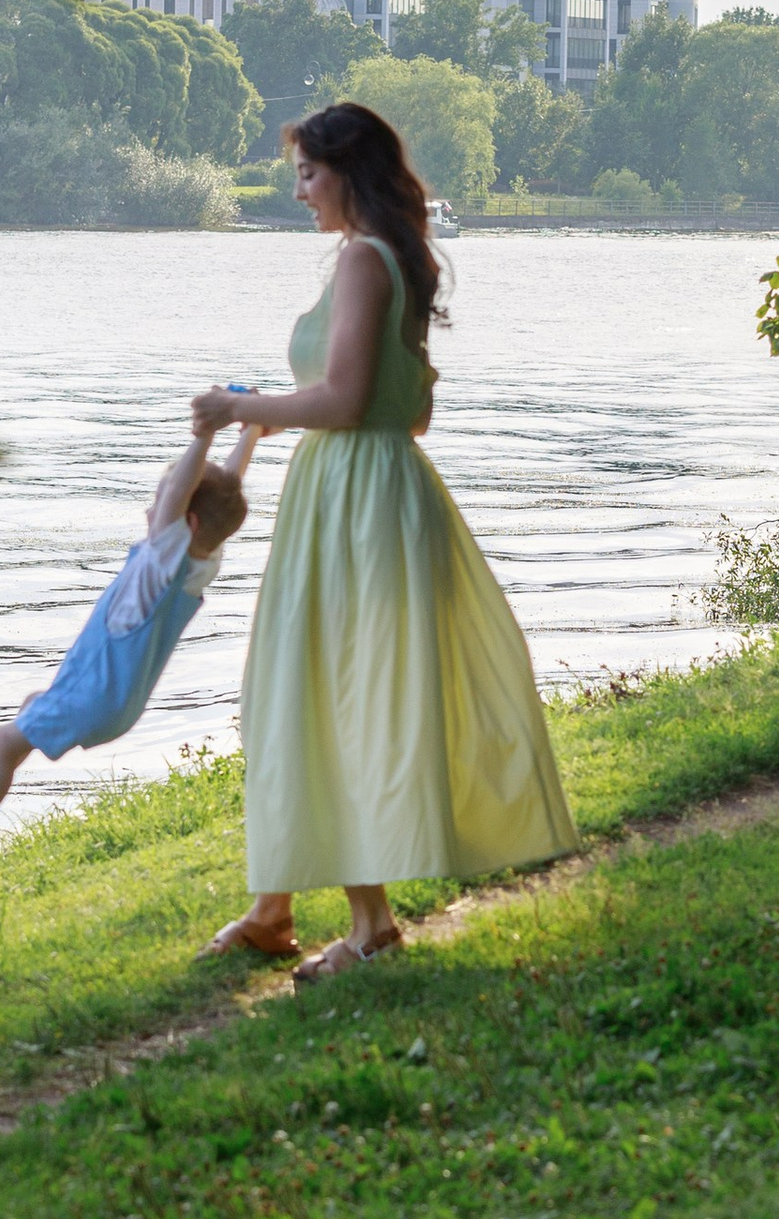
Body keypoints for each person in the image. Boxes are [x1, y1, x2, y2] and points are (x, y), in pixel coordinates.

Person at [201, 96, 575, 978]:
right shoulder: (375, 260)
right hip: (358, 491)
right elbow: (415, 411)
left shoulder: (367, 261)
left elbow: (343, 401)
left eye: (306, 173)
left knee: (337, 694)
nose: (297, 191)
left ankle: (370, 930)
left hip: (358, 501)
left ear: (347, 173)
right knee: (299, 688)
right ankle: (273, 905)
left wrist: (239, 408)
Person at [0, 414, 258, 871]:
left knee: (5, 740)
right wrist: (250, 432)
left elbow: (181, 493)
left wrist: (206, 433)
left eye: (158, 506)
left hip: (94, 698)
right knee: (32, 706)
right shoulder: (197, 565)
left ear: (183, 522)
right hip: (113, 703)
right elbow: (225, 492)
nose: (151, 513)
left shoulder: (160, 563)